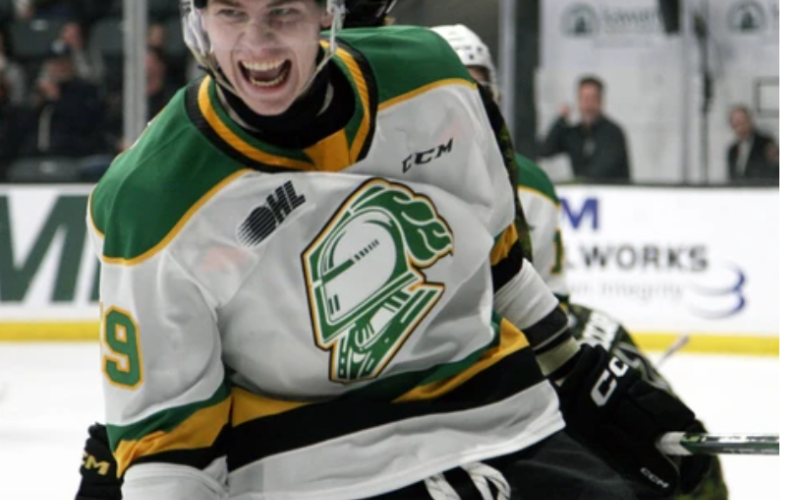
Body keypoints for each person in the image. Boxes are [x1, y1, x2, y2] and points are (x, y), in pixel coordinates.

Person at [76, 2, 706, 499]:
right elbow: (174, 449)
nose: (259, 43)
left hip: (509, 423)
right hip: (310, 470)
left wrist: (572, 366)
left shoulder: (431, 79)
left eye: (283, 12)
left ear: (327, 12)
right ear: (199, 24)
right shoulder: (152, 201)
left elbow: (499, 262)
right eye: (232, 13)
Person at [432, 23, 725, 500]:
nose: (466, 102)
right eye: (452, 84)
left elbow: (539, 292)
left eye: (477, 85)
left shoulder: (524, 181)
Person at [18, 40, 106, 158]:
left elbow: (84, 123)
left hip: (71, 155)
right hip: (35, 155)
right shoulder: (39, 91)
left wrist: (56, 99)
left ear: (72, 64)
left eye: (64, 62)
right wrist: (35, 104)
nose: (60, 67)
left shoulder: (85, 90)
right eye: (54, 62)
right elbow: (21, 127)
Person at [538, 76, 630, 183]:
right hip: (583, 195)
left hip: (612, 195)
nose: (588, 104)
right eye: (584, 99)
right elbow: (545, 150)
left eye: (592, 99)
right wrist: (560, 122)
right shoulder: (575, 134)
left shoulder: (613, 133)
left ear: (601, 100)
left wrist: (579, 182)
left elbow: (603, 168)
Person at [726, 105, 779, 183]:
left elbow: (773, 173)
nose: (740, 127)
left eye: (742, 122)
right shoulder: (732, 150)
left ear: (750, 121)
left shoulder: (766, 144)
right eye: (736, 124)